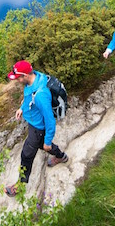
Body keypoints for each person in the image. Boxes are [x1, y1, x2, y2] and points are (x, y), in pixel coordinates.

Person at [5, 60, 69, 197]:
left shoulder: (40, 95)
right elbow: (28, 97)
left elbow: (50, 120)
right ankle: (61, 156)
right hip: (34, 123)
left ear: (26, 76)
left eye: (18, 78)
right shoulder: (34, 79)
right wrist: (22, 109)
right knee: (43, 145)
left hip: (37, 128)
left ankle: (20, 186)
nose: (17, 80)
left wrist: (47, 140)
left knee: (26, 155)